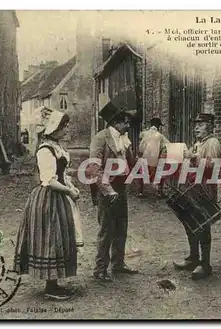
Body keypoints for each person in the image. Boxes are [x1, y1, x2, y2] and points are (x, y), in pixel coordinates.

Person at [13, 110, 81, 300]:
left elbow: (62, 175)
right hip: (47, 199)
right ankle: (50, 287)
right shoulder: (45, 150)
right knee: (50, 238)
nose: (67, 129)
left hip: (58, 196)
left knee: (59, 237)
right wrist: (68, 191)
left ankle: (54, 282)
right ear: (54, 128)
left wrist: (71, 186)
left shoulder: (56, 147)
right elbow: (49, 180)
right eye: (64, 126)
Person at [87, 101, 139, 283]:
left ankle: (118, 263)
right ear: (116, 122)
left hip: (121, 186)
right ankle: (100, 269)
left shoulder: (124, 139)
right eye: (125, 121)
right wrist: (108, 190)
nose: (128, 124)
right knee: (106, 229)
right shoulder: (100, 138)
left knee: (121, 226)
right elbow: (94, 167)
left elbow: (130, 162)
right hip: (106, 189)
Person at [173, 113, 221, 280]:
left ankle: (205, 264)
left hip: (204, 190)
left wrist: (194, 158)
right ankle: (193, 258)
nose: (196, 128)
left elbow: (213, 166)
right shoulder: (197, 144)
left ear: (209, 126)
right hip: (192, 189)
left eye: (200, 125)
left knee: (202, 225)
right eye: (195, 125)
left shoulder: (212, 143)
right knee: (190, 223)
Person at [137, 117, 170, 198]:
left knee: (141, 174)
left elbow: (140, 145)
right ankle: (159, 192)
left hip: (144, 156)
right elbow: (167, 145)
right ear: (158, 126)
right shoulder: (160, 136)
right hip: (155, 158)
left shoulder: (144, 133)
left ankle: (140, 192)